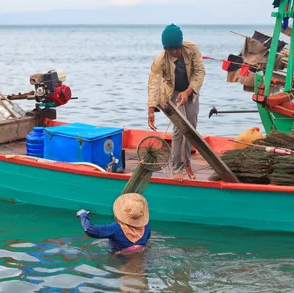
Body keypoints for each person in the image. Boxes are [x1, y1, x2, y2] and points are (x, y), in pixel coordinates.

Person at [147, 23, 205, 182]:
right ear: (166, 49)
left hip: (190, 91)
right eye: (170, 49)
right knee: (180, 127)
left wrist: (188, 91)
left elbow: (200, 72)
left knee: (191, 126)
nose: (175, 52)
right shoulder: (160, 59)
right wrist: (151, 109)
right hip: (171, 93)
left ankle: (187, 163)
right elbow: (153, 84)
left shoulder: (192, 49)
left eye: (177, 48)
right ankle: (177, 167)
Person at [76, 193, 151, 255]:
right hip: (140, 257)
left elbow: (89, 229)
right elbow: (146, 239)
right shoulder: (146, 227)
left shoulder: (115, 228)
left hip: (119, 260)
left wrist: (83, 215)